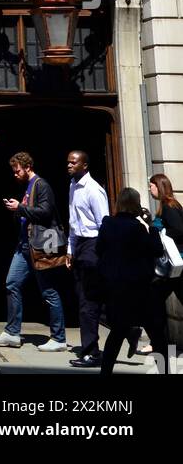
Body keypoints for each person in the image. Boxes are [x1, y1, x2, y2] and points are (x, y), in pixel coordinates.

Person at [0, 151, 67, 352]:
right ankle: (12, 333)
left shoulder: (41, 185)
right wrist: (16, 210)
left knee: (49, 291)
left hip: (40, 246)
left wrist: (20, 208)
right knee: (12, 283)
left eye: (17, 170)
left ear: (27, 167)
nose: (15, 174)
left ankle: (59, 338)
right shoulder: (28, 187)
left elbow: (46, 212)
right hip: (25, 245)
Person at [96, 187, 167, 376]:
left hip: (115, 288)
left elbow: (98, 250)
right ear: (136, 204)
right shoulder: (136, 228)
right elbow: (156, 250)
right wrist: (151, 226)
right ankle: (164, 371)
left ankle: (105, 372)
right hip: (139, 289)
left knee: (117, 333)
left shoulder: (107, 224)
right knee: (156, 334)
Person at [66, 150, 109, 369]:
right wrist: (70, 249)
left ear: (85, 165)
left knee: (87, 302)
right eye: (68, 162)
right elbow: (74, 221)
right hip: (80, 245)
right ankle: (127, 328)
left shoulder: (94, 190)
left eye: (73, 162)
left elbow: (103, 225)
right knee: (84, 298)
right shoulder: (73, 186)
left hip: (93, 245)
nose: (69, 165)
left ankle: (91, 352)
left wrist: (101, 255)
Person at [150, 172, 183, 317]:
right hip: (175, 265)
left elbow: (179, 229)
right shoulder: (167, 205)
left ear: (159, 186)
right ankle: (158, 339)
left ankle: (158, 339)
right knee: (155, 299)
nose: (150, 189)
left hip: (176, 262)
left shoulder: (169, 206)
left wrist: (161, 233)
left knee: (154, 299)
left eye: (151, 186)